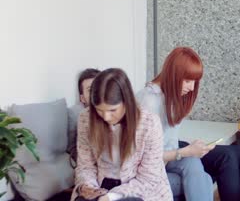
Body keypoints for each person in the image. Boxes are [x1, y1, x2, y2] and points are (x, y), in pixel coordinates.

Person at [137, 47, 240, 201]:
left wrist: (188, 151)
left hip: (169, 158)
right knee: (204, 172)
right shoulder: (149, 102)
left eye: (194, 82)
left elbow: (168, 143)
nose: (191, 88)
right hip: (150, 168)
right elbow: (143, 158)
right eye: (188, 80)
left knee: (198, 163)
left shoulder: (168, 96)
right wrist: (185, 152)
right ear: (173, 74)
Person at [72, 68, 172, 201]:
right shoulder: (86, 118)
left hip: (140, 192)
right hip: (102, 187)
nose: (106, 117)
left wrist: (111, 197)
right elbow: (85, 165)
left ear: (127, 102)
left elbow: (148, 178)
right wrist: (87, 187)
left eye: (112, 110)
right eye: (99, 110)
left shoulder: (149, 123)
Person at [68, 68, 101, 164]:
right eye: (90, 90)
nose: (96, 93)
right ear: (82, 98)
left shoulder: (117, 110)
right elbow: (73, 150)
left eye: (99, 87)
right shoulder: (79, 116)